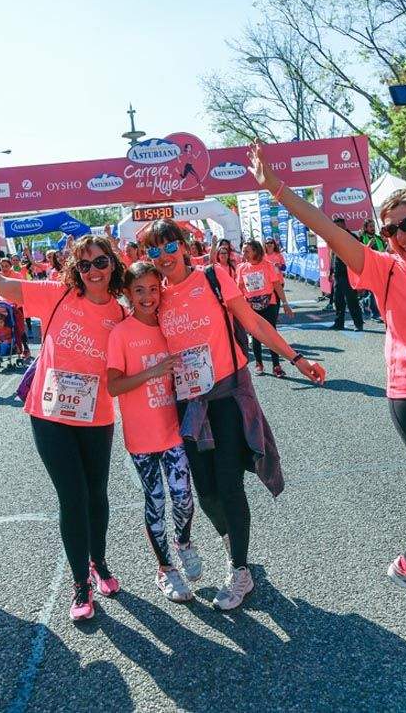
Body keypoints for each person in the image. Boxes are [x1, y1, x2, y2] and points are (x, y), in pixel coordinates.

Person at [249, 88, 406, 662]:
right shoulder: (381, 269)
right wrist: (277, 190)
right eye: (390, 229)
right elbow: (329, 231)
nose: (400, 235)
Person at [0, 228, 126, 621]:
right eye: (84, 265)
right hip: (50, 413)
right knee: (73, 496)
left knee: (96, 494)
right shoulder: (57, 294)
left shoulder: (121, 311)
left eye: (101, 262)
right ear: (74, 269)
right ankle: (80, 583)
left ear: (112, 264)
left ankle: (99, 562)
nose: (93, 271)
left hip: (96, 413)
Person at [140, 219, 325, 611]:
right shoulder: (156, 296)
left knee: (228, 485)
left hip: (226, 397)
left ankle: (240, 570)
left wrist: (295, 358)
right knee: (204, 492)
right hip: (189, 406)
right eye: (153, 251)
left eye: (169, 246)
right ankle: (231, 540)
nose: (163, 256)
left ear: (184, 245)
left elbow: (253, 321)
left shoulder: (212, 276)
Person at [106, 261, 203, 602]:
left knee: (184, 498)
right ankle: (165, 569)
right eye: (139, 290)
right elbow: (113, 386)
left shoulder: (169, 324)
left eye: (152, 288)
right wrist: (154, 372)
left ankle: (184, 542)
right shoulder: (121, 333)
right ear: (127, 294)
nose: (148, 297)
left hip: (173, 431)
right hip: (142, 439)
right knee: (156, 500)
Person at [236, 240, 293, 376]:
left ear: (256, 251)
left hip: (270, 304)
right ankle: (259, 364)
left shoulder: (268, 266)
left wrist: (285, 303)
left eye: (247, 251)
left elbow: (277, 285)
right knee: (255, 335)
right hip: (251, 305)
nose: (244, 254)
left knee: (271, 334)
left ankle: (276, 366)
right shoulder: (241, 268)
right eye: (243, 251)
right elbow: (239, 288)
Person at [329, 217, 365, 331]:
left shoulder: (352, 238)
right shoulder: (334, 238)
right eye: (335, 227)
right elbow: (332, 255)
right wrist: (331, 271)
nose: (337, 229)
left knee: (351, 300)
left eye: (339, 226)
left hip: (349, 274)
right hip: (338, 273)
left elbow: (360, 254)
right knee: (337, 300)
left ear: (344, 225)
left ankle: (358, 324)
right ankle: (339, 323)